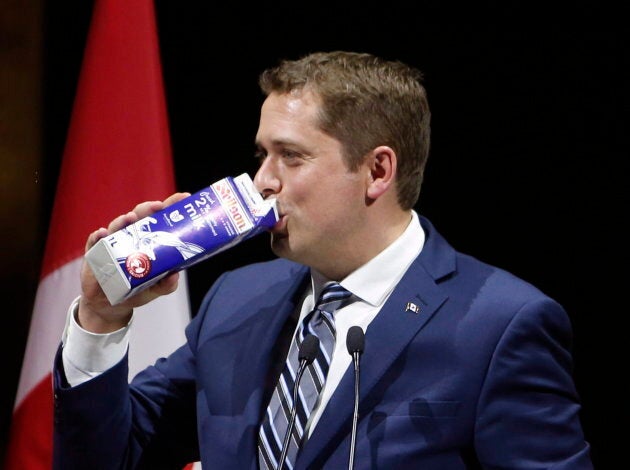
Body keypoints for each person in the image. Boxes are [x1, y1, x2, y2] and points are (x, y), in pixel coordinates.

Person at [53, 51, 593, 469]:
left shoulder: (500, 325)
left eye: (291, 156)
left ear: (378, 171)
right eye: (262, 154)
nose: (262, 181)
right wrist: (102, 318)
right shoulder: (237, 299)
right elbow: (109, 458)